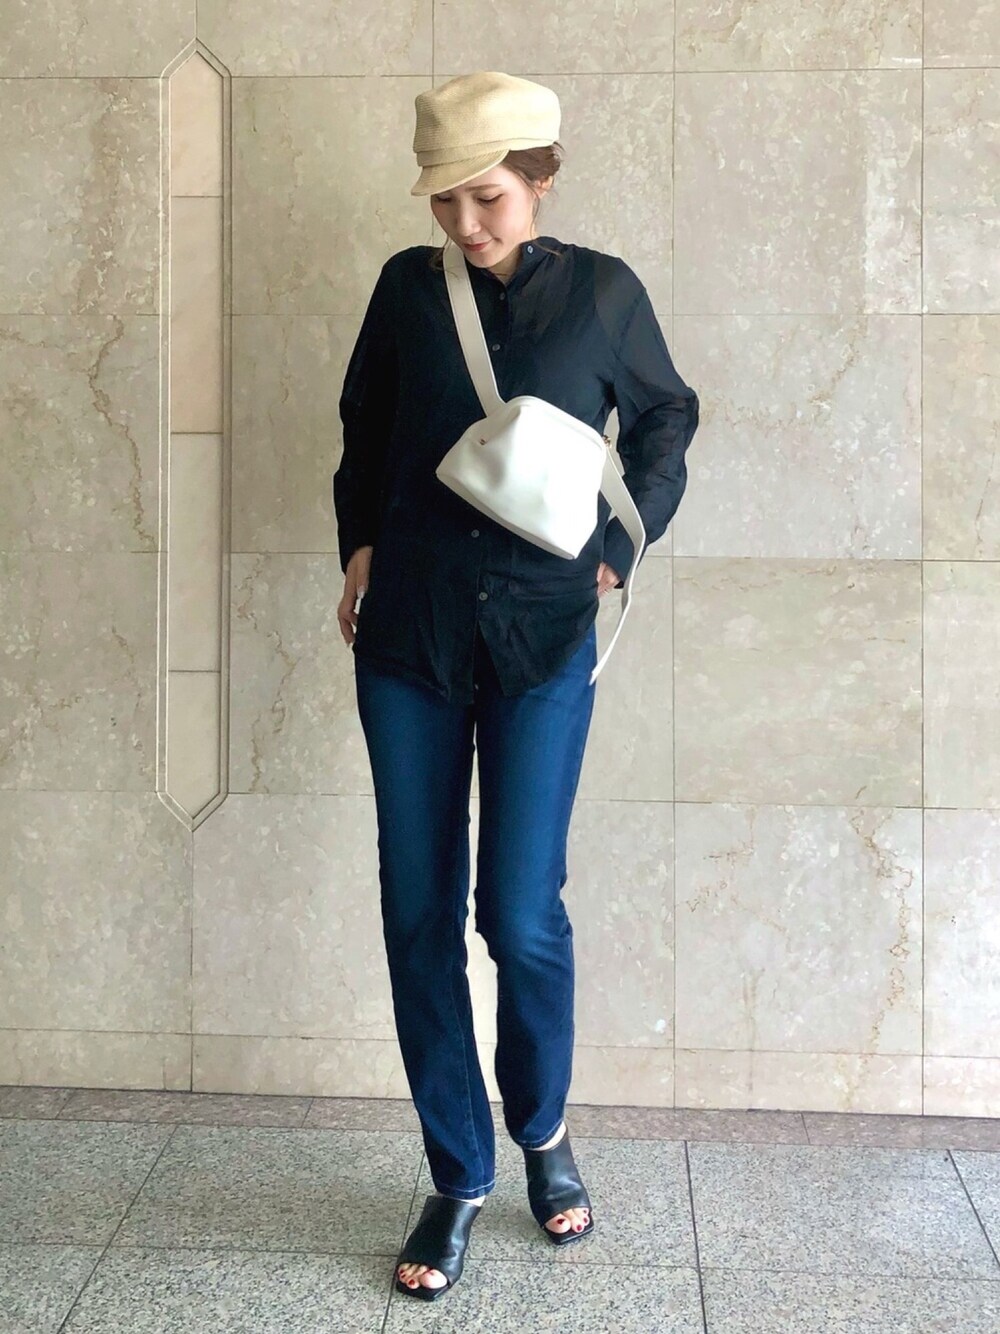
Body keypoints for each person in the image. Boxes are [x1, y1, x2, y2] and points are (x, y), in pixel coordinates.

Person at [333, 71, 700, 1302]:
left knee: (521, 910)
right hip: (409, 634)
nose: (466, 222)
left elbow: (665, 416)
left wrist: (622, 541)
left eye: (486, 196)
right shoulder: (406, 288)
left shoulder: (603, 293)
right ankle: (456, 1170)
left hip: (543, 637)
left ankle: (541, 1129)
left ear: (540, 179)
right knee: (417, 908)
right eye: (445, 201)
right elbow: (364, 424)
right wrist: (359, 543)